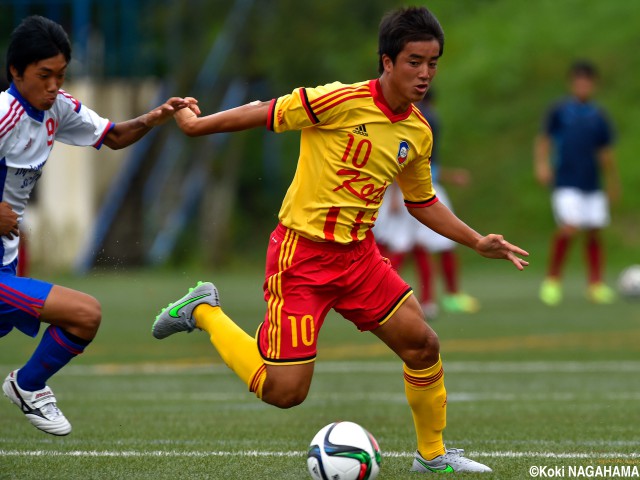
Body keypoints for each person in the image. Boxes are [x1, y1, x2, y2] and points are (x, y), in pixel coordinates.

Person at [153, 6, 528, 474]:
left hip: (358, 258)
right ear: (387, 62)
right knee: (285, 392)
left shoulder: (418, 130)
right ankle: (203, 311)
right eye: (414, 61)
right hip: (302, 256)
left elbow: (421, 201)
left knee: (422, 344)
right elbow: (263, 111)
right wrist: (195, 125)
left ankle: (431, 455)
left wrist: (476, 242)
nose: (425, 73)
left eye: (433, 63)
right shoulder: (338, 101)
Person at [0, 15, 193, 436]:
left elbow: (113, 135)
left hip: (7, 266)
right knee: (85, 313)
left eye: (61, 75)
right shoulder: (4, 114)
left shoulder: (57, 109)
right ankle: (28, 386)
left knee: (83, 318)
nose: (53, 85)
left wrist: (153, 117)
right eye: (43, 75)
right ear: (16, 71)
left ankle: (27, 385)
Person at [375, 90, 479, 318]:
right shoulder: (419, 120)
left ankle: (430, 299)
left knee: (416, 245)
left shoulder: (417, 120)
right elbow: (398, 162)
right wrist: (393, 196)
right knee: (408, 245)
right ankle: (384, 295)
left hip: (415, 190)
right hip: (413, 193)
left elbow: (423, 165)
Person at [534, 60, 620, 306]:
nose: (582, 85)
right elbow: (544, 140)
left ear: (593, 84)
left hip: (592, 183)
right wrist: (542, 165)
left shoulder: (598, 116)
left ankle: (595, 284)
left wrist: (612, 181)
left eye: (587, 81)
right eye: (578, 81)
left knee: (594, 231)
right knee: (570, 227)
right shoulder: (560, 111)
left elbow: (605, 152)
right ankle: (552, 281)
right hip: (566, 181)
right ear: (572, 83)